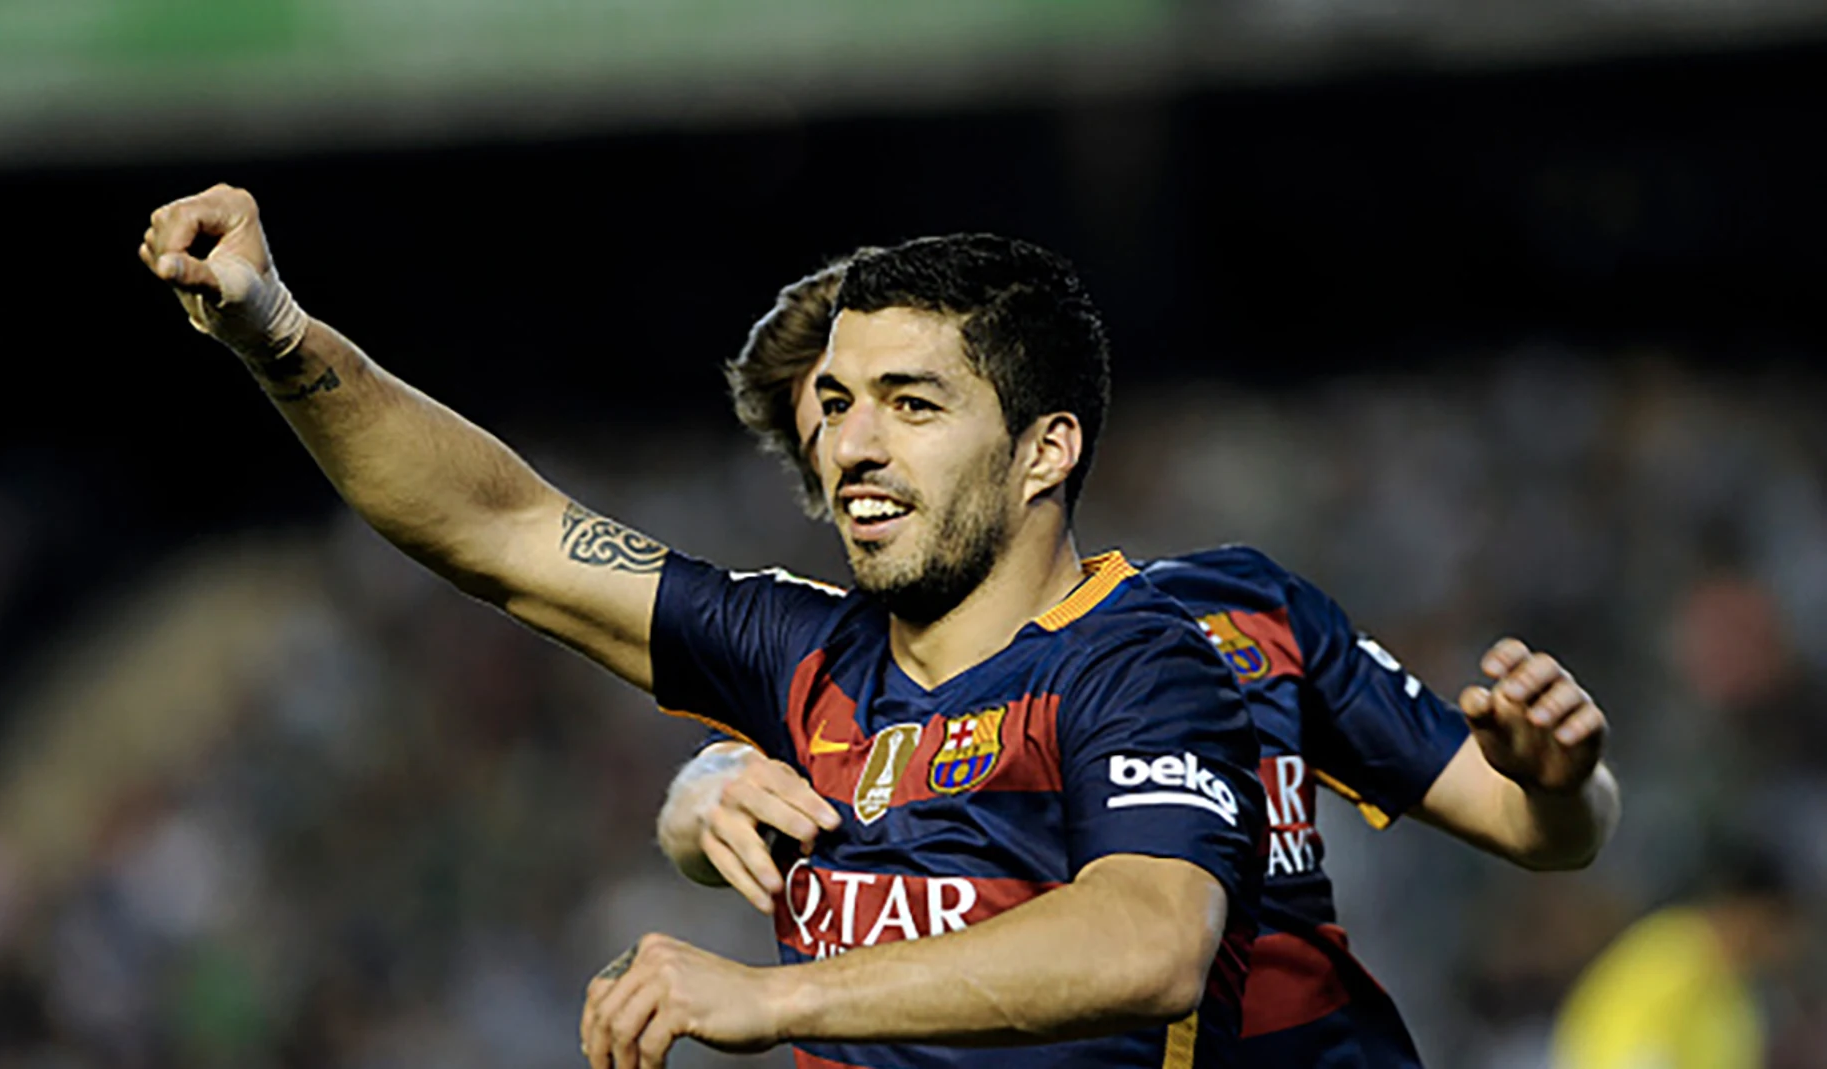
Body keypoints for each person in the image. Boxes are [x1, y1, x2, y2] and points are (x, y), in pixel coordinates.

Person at [137, 187, 1271, 1069]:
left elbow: (1150, 942)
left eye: (912, 404)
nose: (852, 447)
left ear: (1045, 449)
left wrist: (777, 994)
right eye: (836, 404)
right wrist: (278, 333)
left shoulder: (1144, 664)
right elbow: (503, 530)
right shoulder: (797, 652)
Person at [658, 257, 1623, 1065]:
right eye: (826, 422)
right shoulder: (830, 680)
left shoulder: (1241, 611)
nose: (858, 451)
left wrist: (1560, 780)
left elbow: (1543, 827)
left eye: (905, 404)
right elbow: (736, 823)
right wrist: (696, 797)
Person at [1552, 842, 1800, 1069]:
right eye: (1777, 925)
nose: (1781, 946)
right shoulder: (1667, 958)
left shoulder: (1739, 998)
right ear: (1748, 910)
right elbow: (1608, 1049)